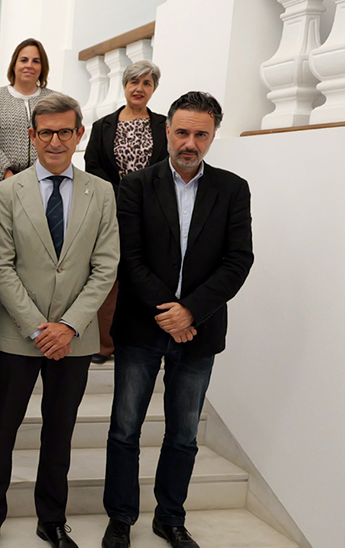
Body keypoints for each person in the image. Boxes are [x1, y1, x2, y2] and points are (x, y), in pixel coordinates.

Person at [102, 92, 254, 548]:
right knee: (125, 428)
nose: (190, 142)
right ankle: (121, 517)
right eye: (182, 132)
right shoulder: (135, 186)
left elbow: (238, 260)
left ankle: (170, 517)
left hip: (200, 330)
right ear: (167, 131)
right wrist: (170, 312)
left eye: (201, 134)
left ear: (212, 136)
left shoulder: (233, 188)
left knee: (184, 434)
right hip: (141, 327)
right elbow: (129, 259)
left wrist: (192, 311)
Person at [0, 93, 119, 548]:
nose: (56, 141)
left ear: (80, 135)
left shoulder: (102, 191)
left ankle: (51, 519)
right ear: (33, 136)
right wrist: (39, 327)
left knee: (60, 431)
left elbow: (106, 265)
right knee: (2, 430)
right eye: (46, 132)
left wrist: (69, 325)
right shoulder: (4, 191)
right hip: (19, 335)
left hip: (74, 338)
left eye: (65, 132)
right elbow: (0, 266)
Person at [84, 60, 168, 365]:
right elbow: (93, 166)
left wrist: (146, 199)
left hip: (155, 213)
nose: (139, 88)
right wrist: (124, 198)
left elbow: (167, 168)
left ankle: (141, 343)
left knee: (146, 276)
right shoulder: (103, 126)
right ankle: (103, 345)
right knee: (109, 277)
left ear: (154, 89)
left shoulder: (164, 125)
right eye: (134, 82)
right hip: (113, 212)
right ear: (124, 85)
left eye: (147, 83)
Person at [0, 38, 55, 361]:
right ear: (13, 64)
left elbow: (56, 138)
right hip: (0, 184)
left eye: (35, 61)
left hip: (43, 187)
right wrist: (8, 175)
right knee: (1, 257)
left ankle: (33, 324)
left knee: (31, 259)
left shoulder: (54, 99)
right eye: (23, 59)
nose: (29, 66)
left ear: (42, 67)